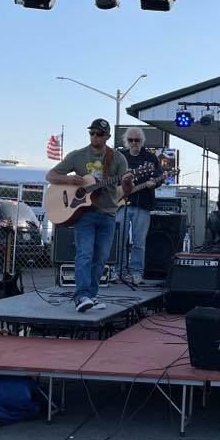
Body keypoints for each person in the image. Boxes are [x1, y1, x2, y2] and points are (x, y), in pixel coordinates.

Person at [46, 118, 133, 312]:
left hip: (108, 213)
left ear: (107, 137)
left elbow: (126, 190)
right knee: (84, 253)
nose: (95, 136)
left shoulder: (117, 158)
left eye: (99, 134)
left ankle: (90, 297)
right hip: (84, 213)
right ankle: (81, 295)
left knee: (101, 257)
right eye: (92, 133)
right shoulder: (77, 156)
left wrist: (127, 182)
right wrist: (70, 180)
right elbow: (50, 176)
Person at [115, 127, 162, 285]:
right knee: (120, 239)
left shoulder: (150, 158)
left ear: (142, 141)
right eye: (131, 140)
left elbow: (158, 176)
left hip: (142, 203)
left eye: (137, 140)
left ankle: (136, 273)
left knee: (139, 241)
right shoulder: (120, 156)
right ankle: (119, 272)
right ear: (126, 141)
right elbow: (111, 176)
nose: (134, 143)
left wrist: (153, 182)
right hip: (120, 204)